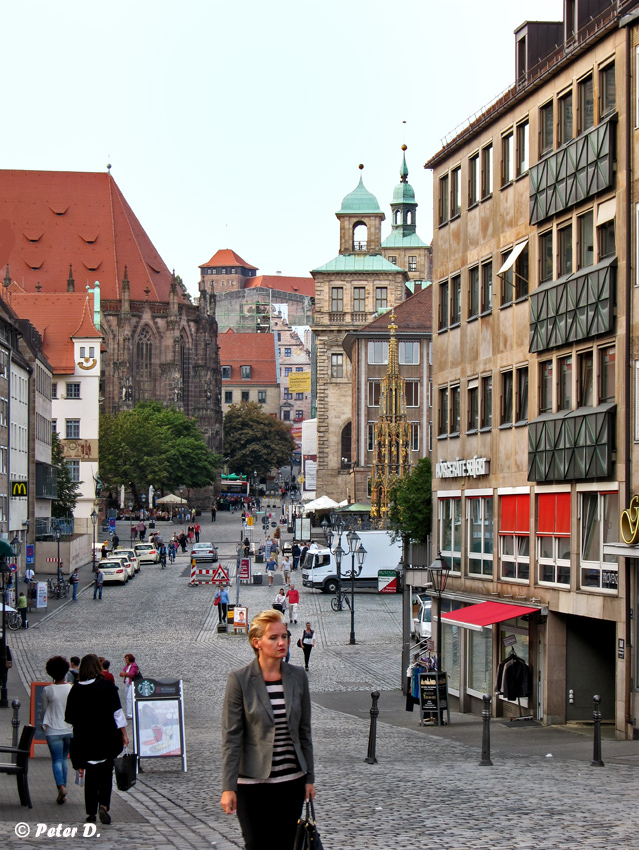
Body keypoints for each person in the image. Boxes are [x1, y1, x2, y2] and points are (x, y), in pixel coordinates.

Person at [220, 609, 316, 850]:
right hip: (253, 785)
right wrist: (228, 787)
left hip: (291, 781)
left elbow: (305, 732)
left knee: (284, 844)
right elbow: (231, 738)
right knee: (256, 844)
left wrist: (309, 778)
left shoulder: (298, 676)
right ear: (257, 642)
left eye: (284, 636)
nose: (281, 642)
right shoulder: (240, 680)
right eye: (273, 638)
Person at [65, 654, 129, 825]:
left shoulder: (76, 689)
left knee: (91, 775)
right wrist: (124, 734)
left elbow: (70, 717)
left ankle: (91, 811)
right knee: (106, 773)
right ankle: (104, 805)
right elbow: (117, 713)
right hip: (106, 738)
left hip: (84, 740)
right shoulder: (107, 687)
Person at [42, 655, 73, 805]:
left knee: (56, 760)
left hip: (53, 729)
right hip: (69, 728)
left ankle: (60, 786)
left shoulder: (48, 690)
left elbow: (44, 711)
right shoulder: (71, 688)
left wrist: (43, 724)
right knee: (64, 759)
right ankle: (64, 789)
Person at [119, 654, 139, 719]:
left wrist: (125, 674)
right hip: (127, 683)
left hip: (132, 683)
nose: (126, 660)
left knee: (129, 698)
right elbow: (121, 673)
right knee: (128, 697)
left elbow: (131, 674)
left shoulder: (134, 665)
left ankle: (130, 714)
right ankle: (129, 712)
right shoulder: (127, 666)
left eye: (126, 658)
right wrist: (125, 674)